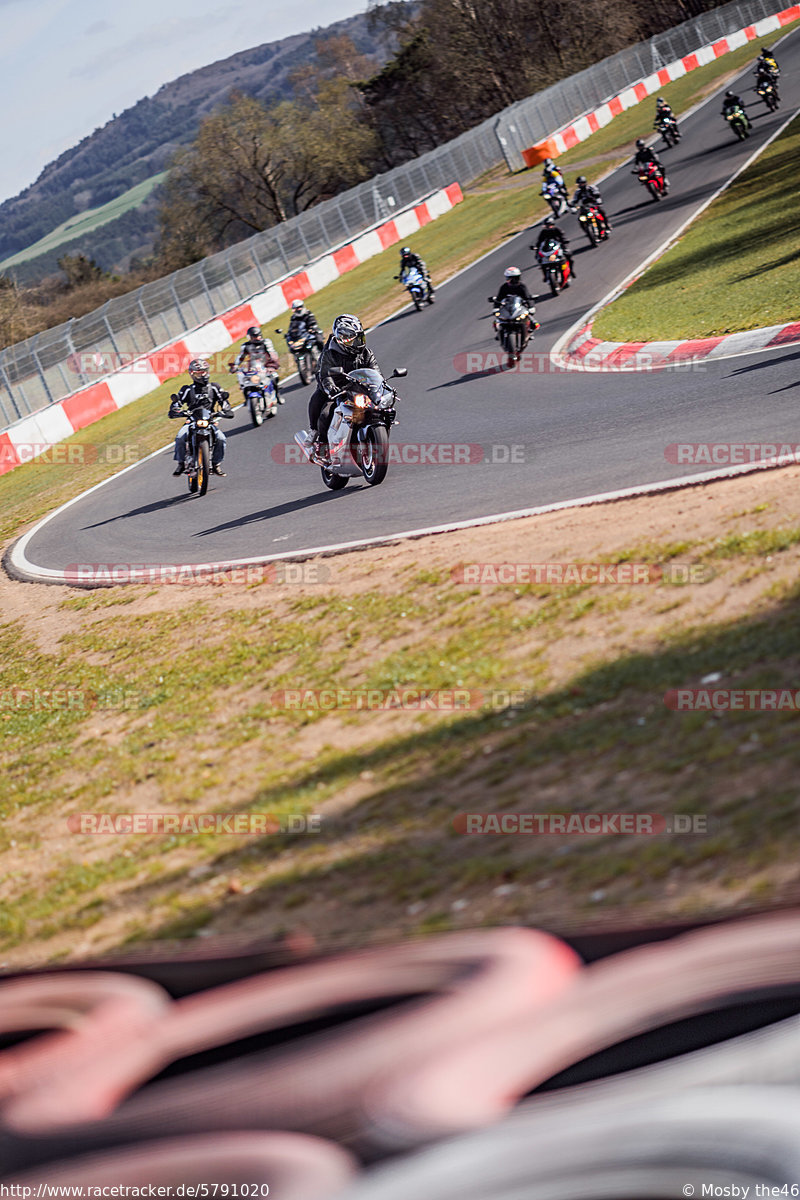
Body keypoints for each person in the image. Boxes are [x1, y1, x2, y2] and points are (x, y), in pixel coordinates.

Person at [307, 315, 381, 461]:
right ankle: (320, 442)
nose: (358, 342)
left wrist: (380, 387)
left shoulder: (366, 353)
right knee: (326, 413)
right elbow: (324, 375)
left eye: (359, 337)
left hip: (358, 388)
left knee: (380, 407)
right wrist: (331, 389)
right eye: (352, 339)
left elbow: (376, 372)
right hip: (336, 390)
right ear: (341, 339)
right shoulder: (330, 353)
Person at [170, 359, 234, 476]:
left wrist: (225, 410)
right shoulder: (187, 389)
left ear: (207, 372)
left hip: (210, 421)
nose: (201, 375)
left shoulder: (214, 387)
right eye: (198, 373)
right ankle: (180, 463)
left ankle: (216, 464)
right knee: (179, 437)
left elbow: (224, 401)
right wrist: (176, 410)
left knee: (221, 438)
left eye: (203, 372)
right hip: (191, 421)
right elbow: (177, 403)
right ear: (192, 374)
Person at [230, 324, 283, 404]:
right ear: (250, 337)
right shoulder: (246, 346)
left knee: (275, 376)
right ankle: (247, 398)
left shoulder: (266, 342)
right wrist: (235, 366)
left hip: (266, 365)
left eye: (257, 336)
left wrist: (273, 363)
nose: (256, 338)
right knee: (243, 379)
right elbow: (240, 357)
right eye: (254, 336)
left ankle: (278, 395)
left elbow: (272, 353)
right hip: (253, 367)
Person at [531, 216, 576, 282]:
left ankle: (571, 271)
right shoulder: (543, 232)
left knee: (568, 255)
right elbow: (539, 241)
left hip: (559, 246)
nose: (548, 227)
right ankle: (545, 275)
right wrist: (536, 247)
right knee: (539, 258)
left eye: (549, 225)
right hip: (549, 248)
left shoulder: (557, 230)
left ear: (552, 224)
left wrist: (564, 242)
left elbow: (563, 237)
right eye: (547, 225)